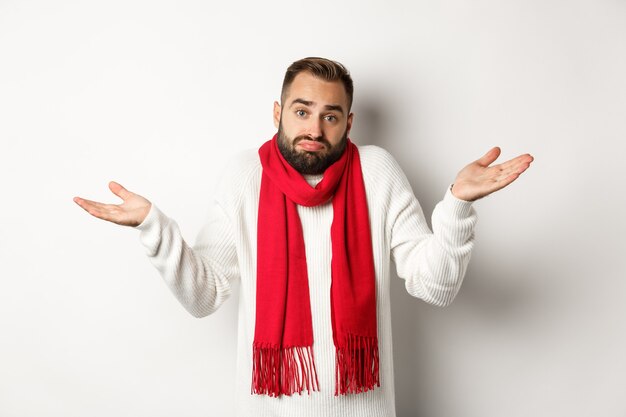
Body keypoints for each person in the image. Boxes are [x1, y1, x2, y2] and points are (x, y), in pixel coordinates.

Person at [73, 57, 533, 417]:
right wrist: (154, 227)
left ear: (349, 123)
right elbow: (204, 296)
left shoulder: (377, 172)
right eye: (302, 111)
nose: (314, 129)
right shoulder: (244, 176)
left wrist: (456, 205)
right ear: (278, 113)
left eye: (330, 116)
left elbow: (434, 287)